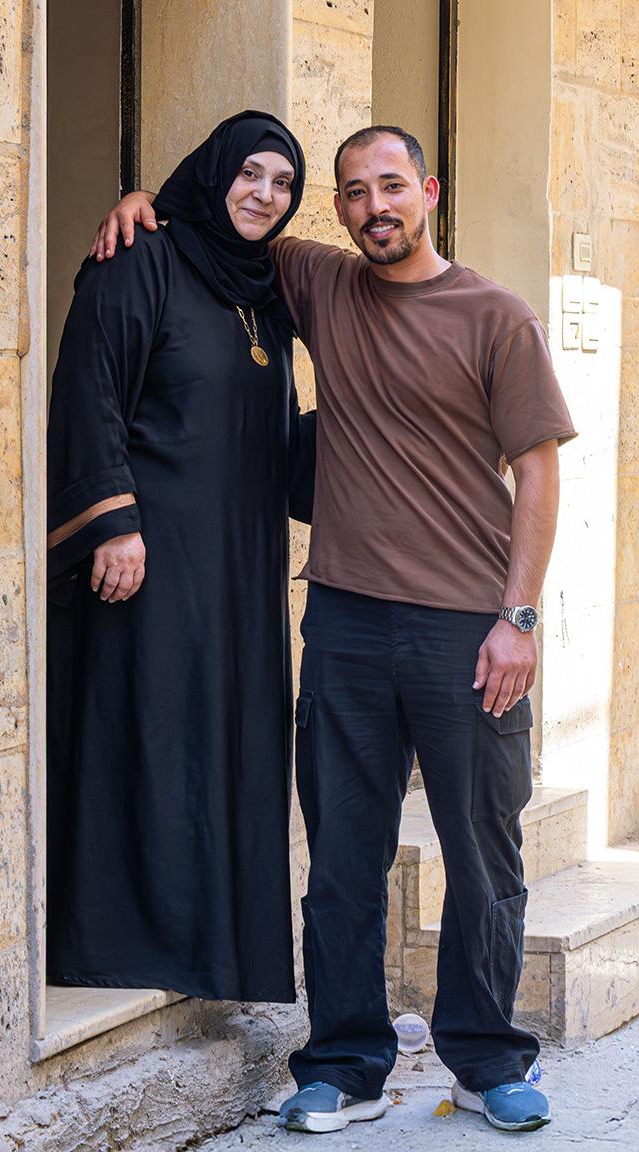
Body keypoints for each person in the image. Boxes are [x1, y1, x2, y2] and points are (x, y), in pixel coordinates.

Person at [92, 124, 576, 1133]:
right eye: (353, 193)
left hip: (466, 629)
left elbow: (538, 468)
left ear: (429, 191)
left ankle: (486, 1059)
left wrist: (517, 617)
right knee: (344, 864)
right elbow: (222, 219)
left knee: (482, 856)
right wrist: (144, 203)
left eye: (390, 186)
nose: (373, 207)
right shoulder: (318, 282)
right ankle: (346, 1063)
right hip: (347, 623)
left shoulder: (496, 316)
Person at [46, 111, 314, 1004]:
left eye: (282, 184)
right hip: (149, 564)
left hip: (238, 567)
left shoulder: (267, 291)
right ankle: (127, 946)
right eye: (251, 175)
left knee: (226, 746)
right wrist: (112, 521)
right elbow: (88, 386)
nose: (264, 197)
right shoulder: (141, 260)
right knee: (150, 734)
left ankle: (213, 952)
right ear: (215, 172)